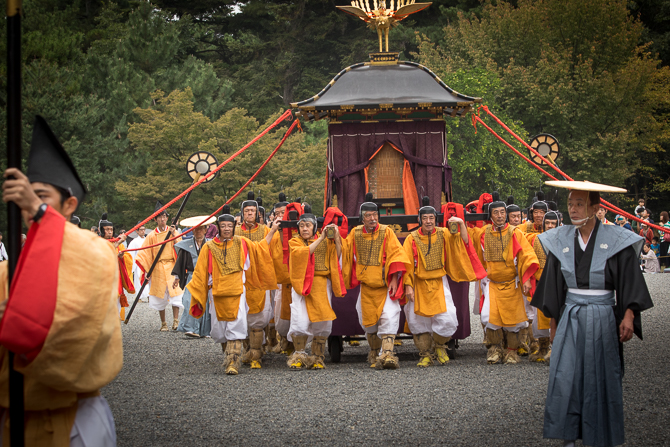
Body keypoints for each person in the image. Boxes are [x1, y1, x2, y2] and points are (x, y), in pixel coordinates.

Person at [0, 115, 121, 445]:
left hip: (75, 417)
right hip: (13, 415)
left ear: (69, 204)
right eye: (25, 199)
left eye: (41, 197)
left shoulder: (93, 249)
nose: (28, 206)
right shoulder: (7, 270)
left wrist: (40, 214)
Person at [531, 181, 653, 447]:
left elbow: (630, 280)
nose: (573, 210)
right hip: (571, 314)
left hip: (603, 315)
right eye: (570, 204)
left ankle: (601, 436)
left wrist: (629, 315)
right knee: (566, 374)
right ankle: (568, 436)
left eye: (579, 204)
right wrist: (554, 323)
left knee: (602, 375)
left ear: (596, 208)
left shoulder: (616, 239)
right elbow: (554, 286)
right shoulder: (560, 239)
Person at [186, 206, 278, 375]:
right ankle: (228, 357)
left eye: (230, 226)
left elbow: (260, 248)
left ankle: (233, 362)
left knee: (236, 327)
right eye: (223, 226)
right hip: (217, 294)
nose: (227, 229)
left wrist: (272, 231)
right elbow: (200, 273)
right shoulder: (209, 247)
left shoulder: (242, 242)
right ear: (218, 228)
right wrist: (198, 294)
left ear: (233, 227)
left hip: (237, 293)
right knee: (219, 331)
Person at [403, 197, 485, 367]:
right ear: (419, 220)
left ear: (435, 219)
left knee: (448, 319)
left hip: (439, 283)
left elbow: (463, 242)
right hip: (419, 283)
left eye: (431, 218)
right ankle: (425, 354)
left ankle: (440, 347)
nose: (428, 221)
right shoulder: (411, 238)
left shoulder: (444, 233)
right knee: (418, 322)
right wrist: (408, 286)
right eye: (425, 218)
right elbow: (407, 264)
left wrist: (461, 224)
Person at [342, 193, 411, 369]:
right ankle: (374, 352)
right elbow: (345, 251)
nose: (373, 219)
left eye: (375, 215)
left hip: (385, 286)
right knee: (368, 322)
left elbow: (396, 255)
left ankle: (387, 355)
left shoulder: (387, 231)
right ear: (362, 218)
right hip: (367, 287)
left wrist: (394, 278)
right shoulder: (355, 233)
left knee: (389, 316)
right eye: (368, 216)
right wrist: (335, 237)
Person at [469, 198, 539, 365]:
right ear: (490, 216)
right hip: (492, 284)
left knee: (514, 320)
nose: (500, 216)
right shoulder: (483, 233)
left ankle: (512, 352)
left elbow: (527, 255)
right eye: (496, 213)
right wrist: (458, 221)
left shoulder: (515, 232)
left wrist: (526, 279)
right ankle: (495, 350)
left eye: (502, 212)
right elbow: (467, 239)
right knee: (489, 317)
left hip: (512, 283)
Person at [286, 212, 345, 370]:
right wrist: (320, 238)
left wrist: (336, 237)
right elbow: (302, 254)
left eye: (308, 225)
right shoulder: (294, 242)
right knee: (299, 320)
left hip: (320, 285)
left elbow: (337, 256)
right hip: (301, 286)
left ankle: (317, 357)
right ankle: (299, 355)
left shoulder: (327, 241)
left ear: (315, 227)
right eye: (302, 226)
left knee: (322, 321)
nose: (304, 229)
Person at [234, 192, 275, 367]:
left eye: (252, 211)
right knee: (242, 316)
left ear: (257, 213)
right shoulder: (235, 231)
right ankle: (247, 350)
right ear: (242, 213)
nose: (249, 213)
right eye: (246, 211)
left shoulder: (265, 230)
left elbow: (273, 251)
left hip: (260, 278)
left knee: (259, 317)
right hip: (241, 279)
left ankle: (256, 354)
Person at [135, 201, 184, 331]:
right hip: (157, 267)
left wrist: (173, 235)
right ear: (155, 219)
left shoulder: (173, 231)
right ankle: (163, 323)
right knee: (159, 295)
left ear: (167, 218)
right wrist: (147, 271)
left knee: (175, 293)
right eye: (160, 217)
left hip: (172, 265)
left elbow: (180, 247)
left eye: (164, 217)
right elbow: (145, 253)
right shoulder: (152, 235)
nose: (162, 219)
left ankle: (176, 321)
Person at [527, 211, 560, 363]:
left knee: (557, 316)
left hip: (558, 284)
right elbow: (531, 261)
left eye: (553, 223)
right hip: (541, 283)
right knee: (539, 317)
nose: (550, 226)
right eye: (548, 223)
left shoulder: (564, 241)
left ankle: (557, 349)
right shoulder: (537, 240)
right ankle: (542, 348)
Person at [173, 216, 215, 338]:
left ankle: (205, 331)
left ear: (206, 230)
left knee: (206, 303)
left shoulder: (211, 244)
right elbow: (180, 262)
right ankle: (190, 328)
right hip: (192, 277)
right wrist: (177, 277)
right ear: (192, 230)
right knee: (188, 300)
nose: (198, 231)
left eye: (201, 229)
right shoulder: (186, 245)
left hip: (206, 277)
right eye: (196, 229)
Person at [99, 213, 135, 320]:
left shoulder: (119, 244)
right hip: (102, 279)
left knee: (116, 305)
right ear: (101, 230)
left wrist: (121, 257)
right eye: (107, 229)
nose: (110, 232)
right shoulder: (98, 242)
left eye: (111, 229)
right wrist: (116, 245)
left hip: (116, 277)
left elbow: (128, 259)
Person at [127, 222, 149, 302]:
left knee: (149, 280)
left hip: (147, 262)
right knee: (138, 280)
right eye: (141, 230)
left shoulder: (148, 240)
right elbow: (130, 254)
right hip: (139, 264)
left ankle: (149, 296)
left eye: (144, 229)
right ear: (137, 231)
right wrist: (132, 266)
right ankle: (139, 297)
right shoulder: (134, 241)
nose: (143, 231)